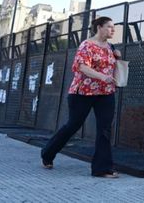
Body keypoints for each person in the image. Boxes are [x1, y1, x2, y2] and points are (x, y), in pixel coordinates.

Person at [41, 16, 121, 178]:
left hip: (105, 93)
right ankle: (47, 153)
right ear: (99, 27)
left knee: (104, 129)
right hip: (82, 92)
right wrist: (102, 76)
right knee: (73, 125)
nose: (113, 30)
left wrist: (116, 57)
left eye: (113, 27)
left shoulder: (111, 46)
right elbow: (82, 67)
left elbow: (110, 65)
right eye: (109, 27)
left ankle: (102, 168)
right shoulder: (86, 45)